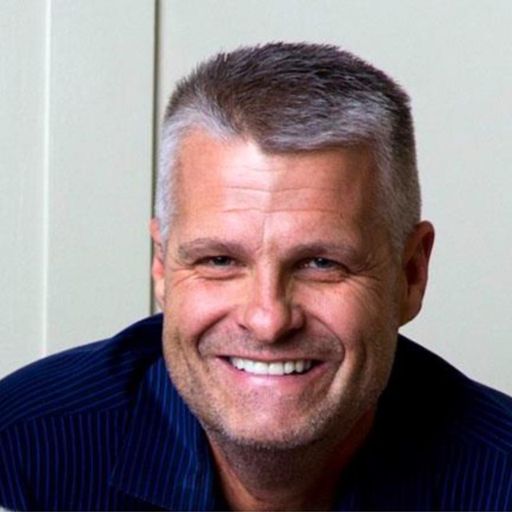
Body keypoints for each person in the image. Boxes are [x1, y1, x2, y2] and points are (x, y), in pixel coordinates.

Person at [1, 42, 511, 511]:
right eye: (219, 261)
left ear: (411, 274)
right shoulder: (19, 455)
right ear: (162, 266)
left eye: (321, 263)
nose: (268, 321)